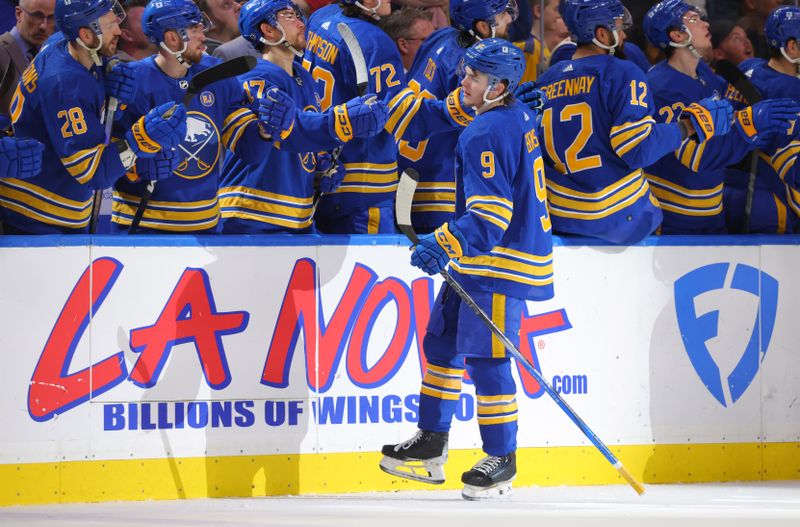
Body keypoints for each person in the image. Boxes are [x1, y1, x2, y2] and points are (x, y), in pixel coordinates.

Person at [380, 38, 552, 501]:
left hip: (498, 262)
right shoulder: (515, 115)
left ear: (499, 86)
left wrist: (443, 241)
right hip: (484, 259)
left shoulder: (484, 132)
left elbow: (490, 218)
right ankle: (431, 442)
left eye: (475, 76)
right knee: (441, 341)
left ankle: (502, 456)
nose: (464, 81)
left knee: (487, 357)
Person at [534, 0, 734, 244]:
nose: (624, 34)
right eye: (618, 28)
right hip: (620, 221)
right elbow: (637, 149)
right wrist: (689, 125)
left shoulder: (546, 80)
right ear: (601, 34)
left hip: (561, 220)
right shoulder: (622, 72)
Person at [1, 0, 185, 234]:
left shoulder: (62, 41)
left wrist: (111, 67)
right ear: (87, 35)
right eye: (110, 25)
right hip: (39, 211)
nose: (119, 30)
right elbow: (93, 172)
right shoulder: (66, 85)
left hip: (50, 197)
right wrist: (139, 141)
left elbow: (99, 60)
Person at [218, 0, 387, 233]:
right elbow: (285, 130)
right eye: (289, 17)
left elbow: (301, 144)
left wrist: (319, 167)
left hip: (298, 217)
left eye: (299, 16)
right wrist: (341, 121)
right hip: (250, 213)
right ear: (268, 29)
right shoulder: (254, 76)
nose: (301, 23)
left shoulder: (305, 79)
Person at [642, 0, 798, 234]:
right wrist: (750, 123)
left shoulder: (701, 73)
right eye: (694, 20)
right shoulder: (663, 87)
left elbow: (730, 108)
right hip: (676, 218)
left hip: (711, 211)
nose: (705, 23)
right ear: (676, 35)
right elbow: (698, 156)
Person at [109, 0, 264, 233]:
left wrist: (264, 130)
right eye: (195, 29)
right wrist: (137, 167)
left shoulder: (217, 74)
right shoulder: (132, 80)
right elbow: (109, 153)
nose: (204, 35)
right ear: (172, 38)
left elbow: (249, 150)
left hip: (206, 226)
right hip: (143, 226)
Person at [386, 0, 518, 234]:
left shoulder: (441, 36)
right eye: (501, 15)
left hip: (409, 175)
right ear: (483, 26)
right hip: (442, 192)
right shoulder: (476, 64)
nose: (508, 19)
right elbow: (487, 133)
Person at [302, 0, 405, 234]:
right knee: (370, 268)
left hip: (322, 168)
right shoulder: (374, 41)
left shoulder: (320, 18)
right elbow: (399, 115)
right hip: (364, 186)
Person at [730, 6, 800, 233]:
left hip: (736, 187)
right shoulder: (792, 90)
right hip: (773, 199)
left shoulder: (750, 68)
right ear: (791, 47)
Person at [0, 0, 56, 115]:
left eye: (50, 18)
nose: (43, 26)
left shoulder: (55, 57)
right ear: (19, 13)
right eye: (37, 16)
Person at [515, 0, 568, 83]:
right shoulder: (529, 49)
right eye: (555, 9)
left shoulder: (543, 49)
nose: (558, 15)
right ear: (538, 11)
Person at [381, 7, 435, 72]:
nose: (436, 47)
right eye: (428, 41)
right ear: (403, 45)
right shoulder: (386, 80)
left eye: (436, 39)